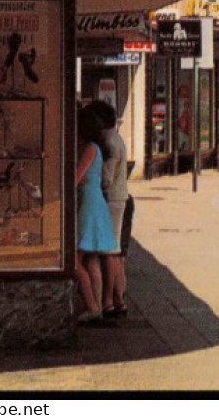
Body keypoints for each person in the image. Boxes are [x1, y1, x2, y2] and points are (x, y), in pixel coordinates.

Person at [85, 101, 131, 317]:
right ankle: (116, 299)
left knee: (109, 252)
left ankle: (109, 301)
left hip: (111, 199)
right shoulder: (117, 138)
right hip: (119, 197)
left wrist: (91, 179)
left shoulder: (109, 143)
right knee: (113, 251)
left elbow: (106, 180)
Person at [75, 106, 118, 325]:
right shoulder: (97, 148)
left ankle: (92, 305)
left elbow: (76, 177)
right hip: (95, 202)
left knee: (76, 260)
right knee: (92, 258)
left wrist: (77, 177)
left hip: (89, 205)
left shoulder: (89, 149)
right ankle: (98, 307)